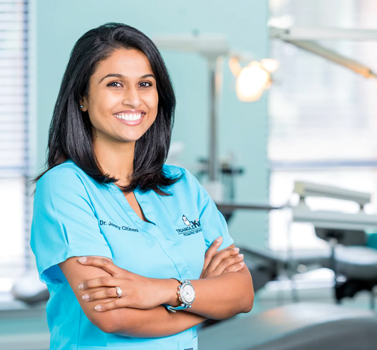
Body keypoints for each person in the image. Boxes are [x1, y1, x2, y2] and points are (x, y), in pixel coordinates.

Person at [30, 22, 254, 350]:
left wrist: (164, 290)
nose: (134, 100)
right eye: (115, 84)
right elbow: (113, 316)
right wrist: (205, 300)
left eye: (145, 84)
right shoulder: (64, 188)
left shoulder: (182, 185)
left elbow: (242, 293)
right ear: (82, 98)